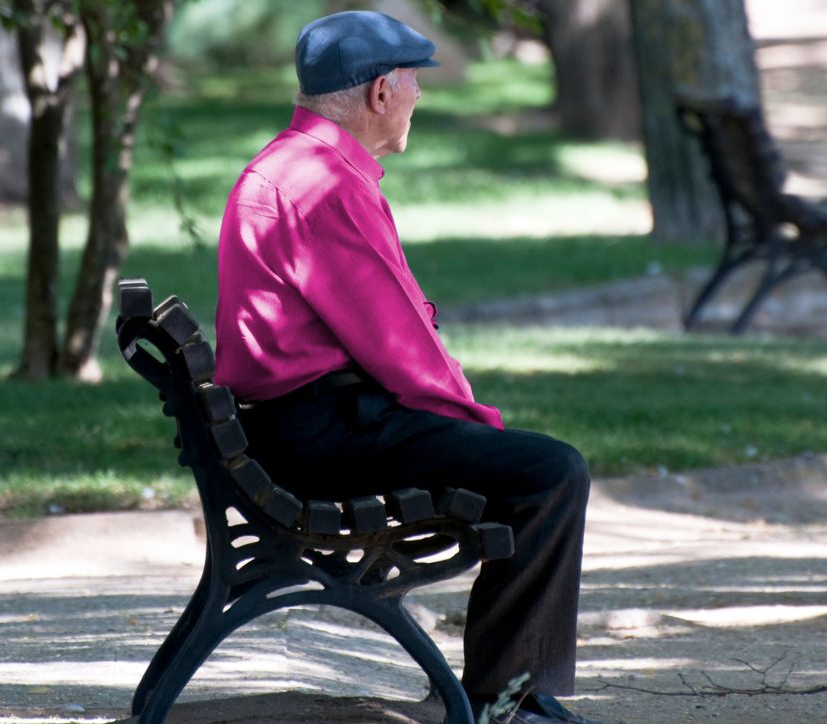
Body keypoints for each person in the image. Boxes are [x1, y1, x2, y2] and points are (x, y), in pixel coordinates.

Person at [213, 10, 596, 724]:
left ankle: (509, 692)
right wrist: (480, 428)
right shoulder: (322, 184)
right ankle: (503, 700)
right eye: (415, 80)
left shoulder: (292, 166)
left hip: (295, 427)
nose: (421, 94)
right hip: (322, 432)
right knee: (550, 471)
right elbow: (401, 346)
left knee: (534, 467)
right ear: (380, 93)